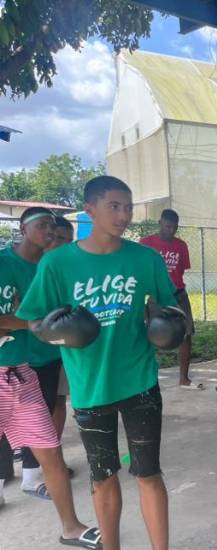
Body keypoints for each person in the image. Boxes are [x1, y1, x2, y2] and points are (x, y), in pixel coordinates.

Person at [17, 175, 178, 550]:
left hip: (140, 382)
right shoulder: (58, 263)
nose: (124, 215)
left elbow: (167, 307)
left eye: (128, 207)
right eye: (114, 206)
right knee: (103, 478)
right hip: (90, 387)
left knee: (149, 472)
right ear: (90, 209)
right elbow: (33, 320)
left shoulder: (145, 259)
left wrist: (168, 325)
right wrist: (58, 332)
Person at [0, 208, 101, 548]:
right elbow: (27, 319)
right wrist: (27, 321)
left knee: (51, 453)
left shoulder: (51, 266)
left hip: (22, 372)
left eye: (51, 226)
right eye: (41, 225)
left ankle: (70, 527)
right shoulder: (3, 263)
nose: (48, 231)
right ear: (23, 228)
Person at [140, 209, 198, 388]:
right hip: (155, 297)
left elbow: (181, 271)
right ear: (160, 223)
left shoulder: (181, 246)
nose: (171, 230)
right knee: (149, 335)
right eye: (167, 226)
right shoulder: (146, 243)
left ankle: (184, 378)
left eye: (174, 227)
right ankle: (148, 379)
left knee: (186, 333)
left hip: (178, 294)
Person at [47, 216, 75, 442]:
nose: (63, 244)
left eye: (69, 240)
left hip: (62, 346)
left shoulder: (72, 269)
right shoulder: (33, 266)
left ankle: (52, 452)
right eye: (58, 238)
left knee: (57, 399)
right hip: (27, 350)